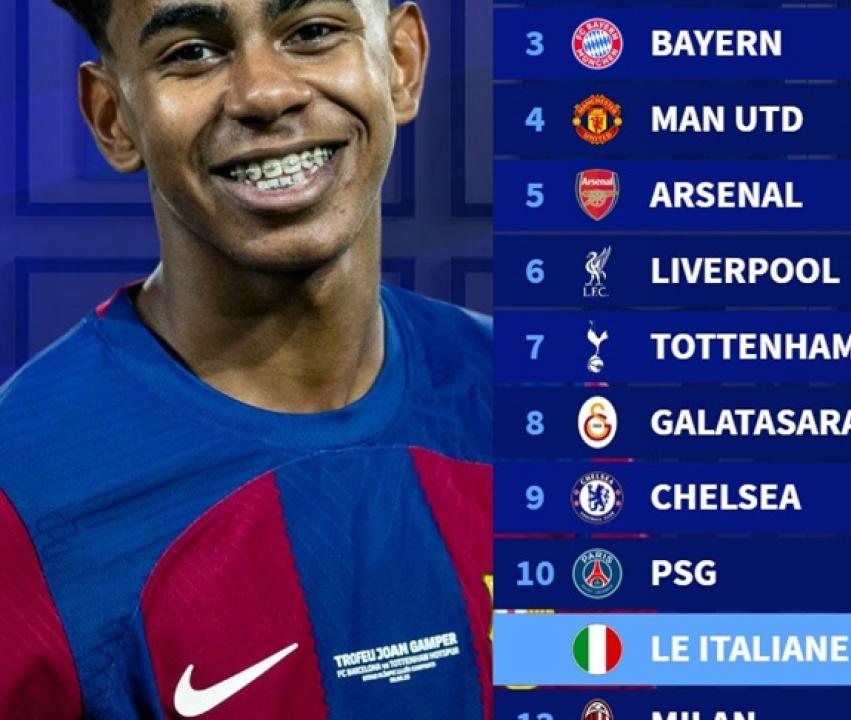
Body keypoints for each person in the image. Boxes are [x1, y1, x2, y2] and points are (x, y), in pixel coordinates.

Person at [0, 1, 491, 717]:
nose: (264, 92)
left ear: (401, 64)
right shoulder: (20, 496)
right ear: (113, 118)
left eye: (314, 31)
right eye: (192, 52)